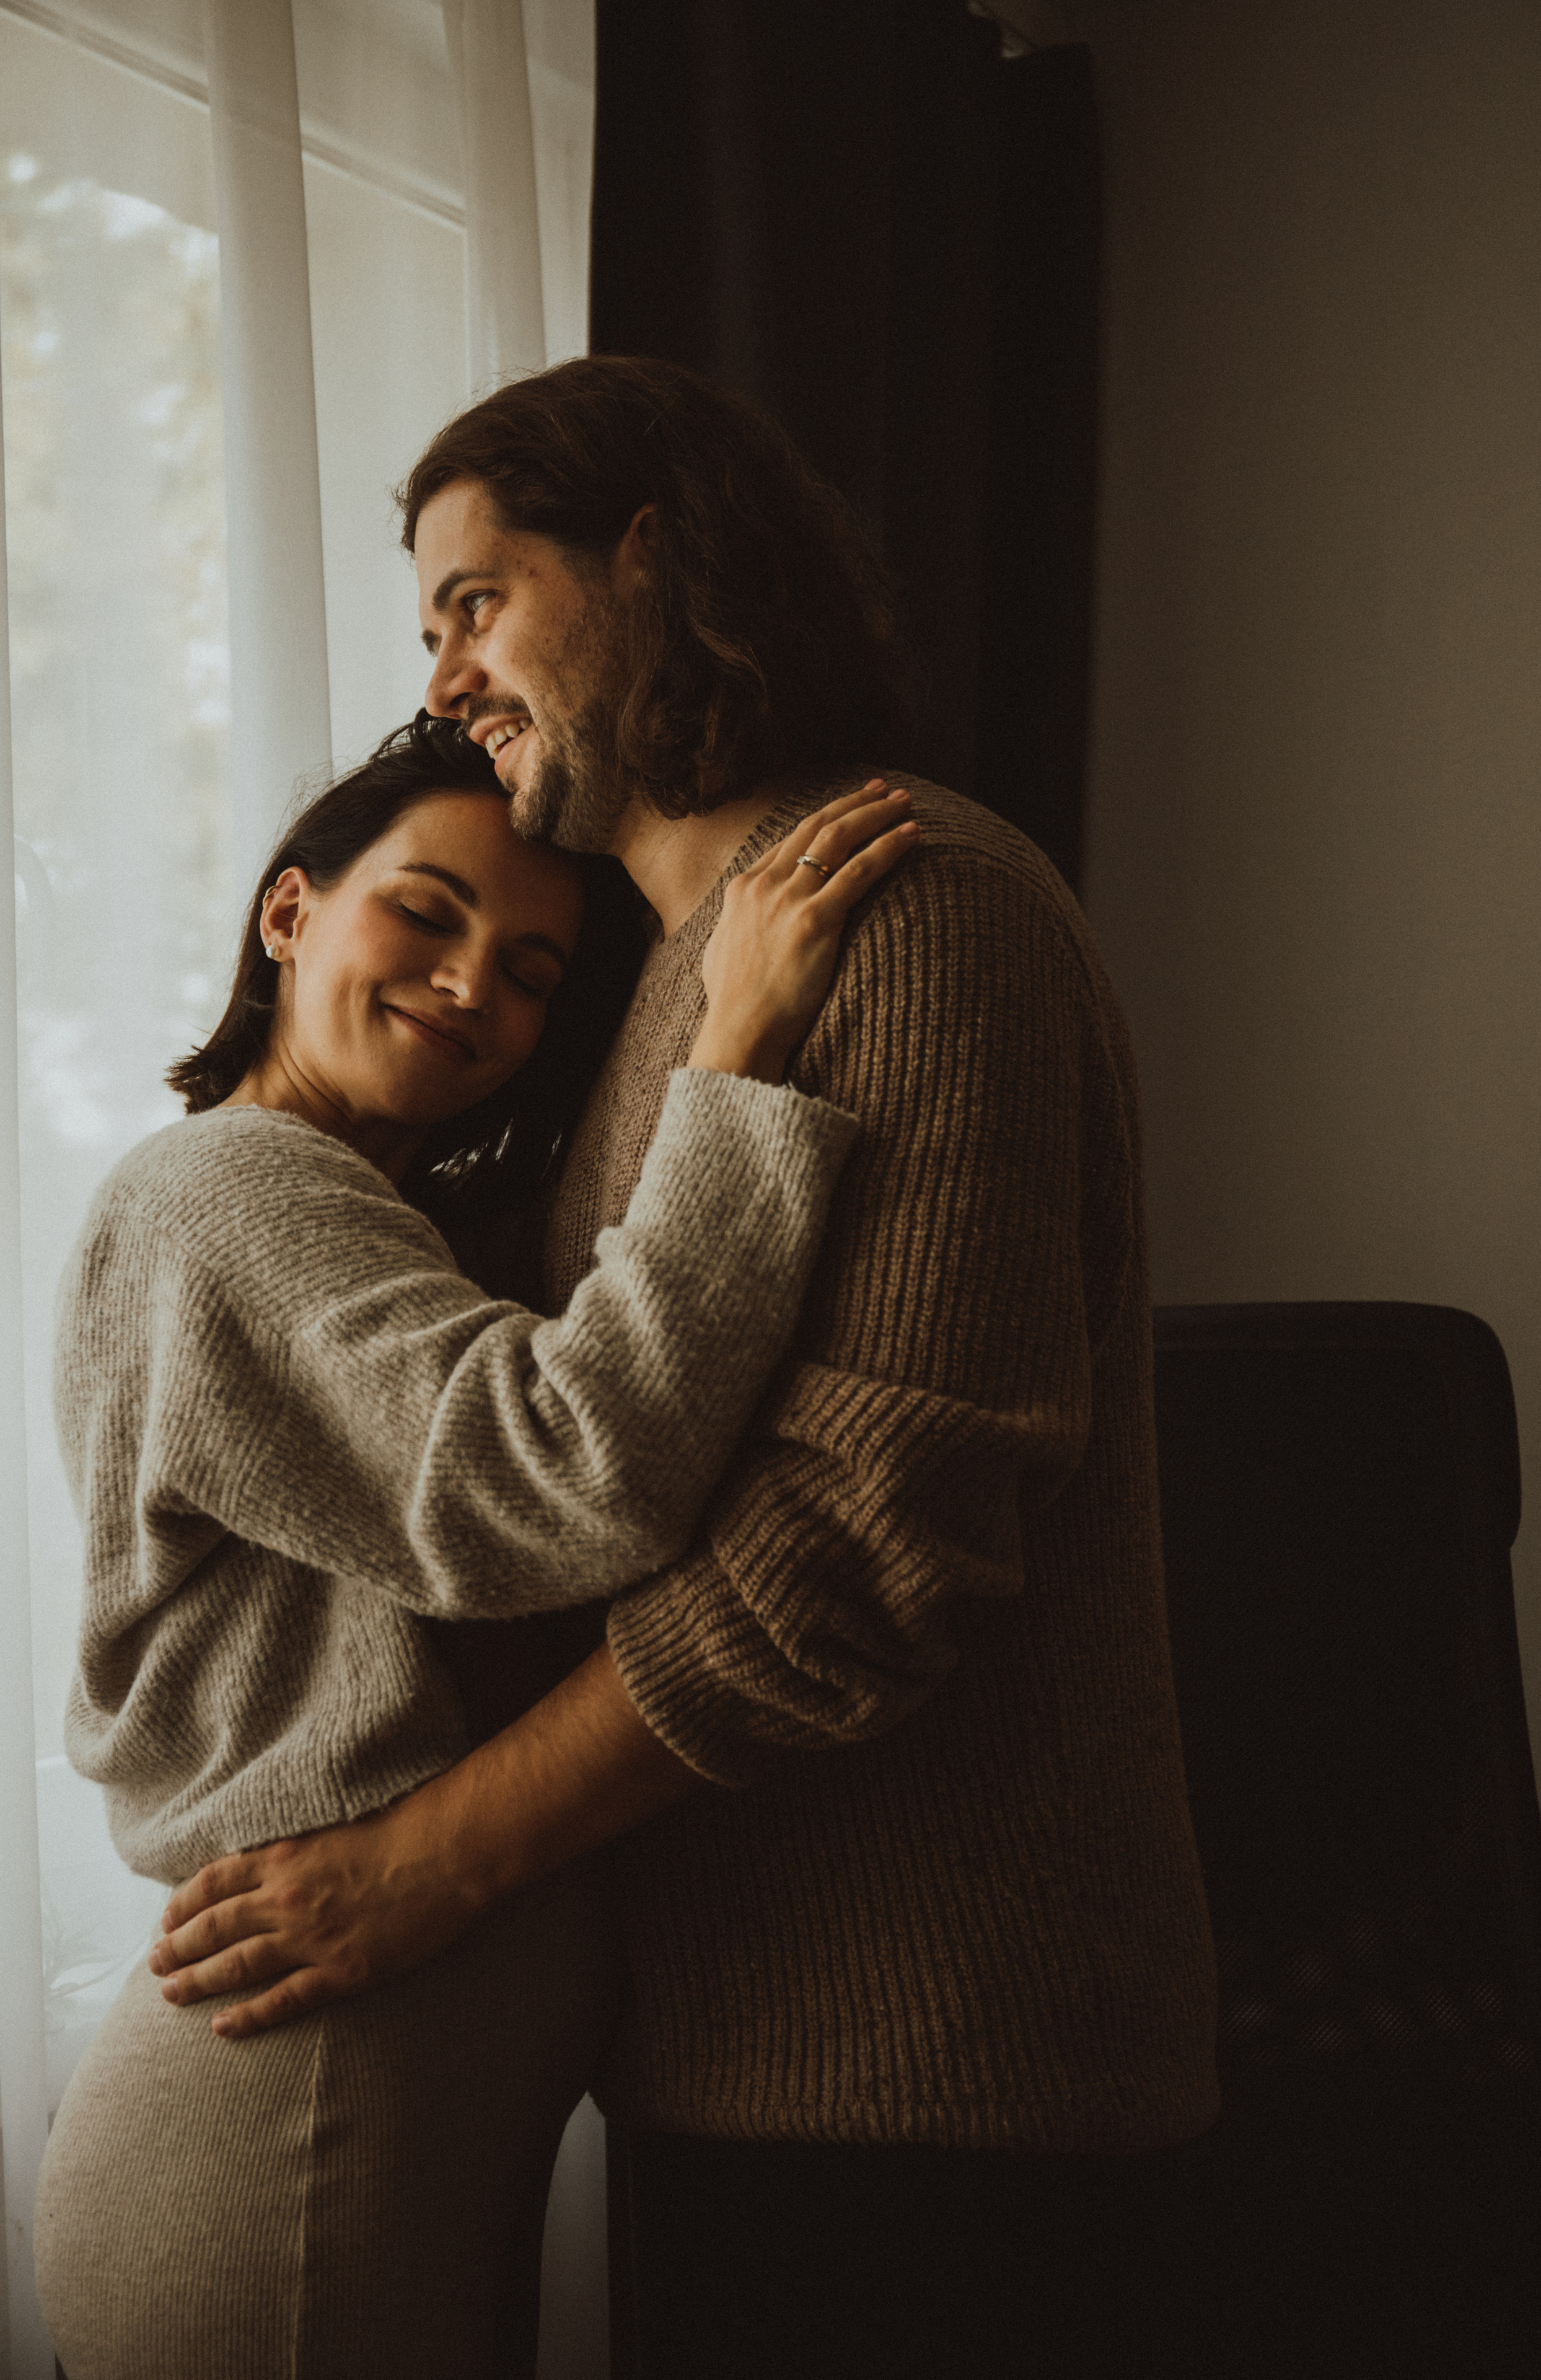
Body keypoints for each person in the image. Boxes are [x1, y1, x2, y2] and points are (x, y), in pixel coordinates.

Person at [150, 356, 1221, 2376]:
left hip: (944, 2088)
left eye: (478, 600)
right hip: (733, 2051)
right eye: (428, 629)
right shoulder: (675, 988)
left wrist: (419, 1870)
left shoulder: (905, 907)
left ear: (650, 559)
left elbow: (847, 1562)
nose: (448, 672)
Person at [32, 713, 917, 2380]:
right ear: (288, 915)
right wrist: (734, 1060)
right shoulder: (231, 1192)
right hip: (280, 2132)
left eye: (526, 970)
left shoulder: (370, 1230)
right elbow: (568, 1474)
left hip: (337, 2123)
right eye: (423, 915)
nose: (467, 989)